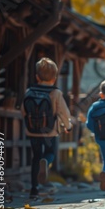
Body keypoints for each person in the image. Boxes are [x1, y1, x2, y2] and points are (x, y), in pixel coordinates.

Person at [22, 57, 73, 199]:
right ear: (55, 78)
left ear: (37, 76)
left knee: (35, 158)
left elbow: (23, 111)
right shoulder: (56, 93)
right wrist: (68, 126)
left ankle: (34, 189)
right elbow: (64, 113)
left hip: (33, 131)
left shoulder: (29, 91)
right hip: (50, 132)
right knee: (50, 152)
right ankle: (46, 162)